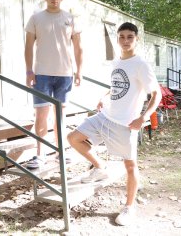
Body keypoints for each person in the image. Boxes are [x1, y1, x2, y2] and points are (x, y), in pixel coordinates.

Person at [67, 22, 161, 226]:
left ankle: (129, 207)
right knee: (73, 138)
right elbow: (118, 86)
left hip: (125, 123)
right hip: (105, 116)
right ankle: (100, 167)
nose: (125, 41)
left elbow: (157, 94)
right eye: (122, 37)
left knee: (130, 166)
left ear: (137, 39)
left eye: (130, 37)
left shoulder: (141, 64)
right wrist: (104, 96)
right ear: (117, 39)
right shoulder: (117, 62)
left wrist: (143, 118)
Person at [24, 0, 83, 169]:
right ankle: (40, 155)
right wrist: (28, 71)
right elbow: (28, 47)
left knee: (60, 117)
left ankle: (61, 153)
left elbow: (78, 48)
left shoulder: (71, 19)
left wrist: (79, 71)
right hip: (41, 75)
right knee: (41, 116)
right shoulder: (36, 18)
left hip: (64, 75)